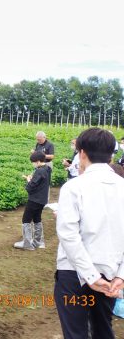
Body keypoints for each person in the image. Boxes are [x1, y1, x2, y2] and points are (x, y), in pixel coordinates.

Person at [54, 128, 124, 339]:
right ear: (112, 155)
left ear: (81, 153)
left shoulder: (74, 187)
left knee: (76, 332)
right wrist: (121, 275)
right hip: (110, 275)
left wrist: (91, 276)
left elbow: (69, 235)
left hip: (74, 275)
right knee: (103, 328)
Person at [14, 151, 51, 250]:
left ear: (38, 161)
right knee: (37, 219)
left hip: (35, 199)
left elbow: (31, 187)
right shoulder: (48, 169)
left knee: (26, 219)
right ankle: (38, 242)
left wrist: (28, 180)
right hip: (42, 199)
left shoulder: (39, 171)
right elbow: (41, 182)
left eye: (33, 162)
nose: (33, 164)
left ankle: (27, 243)